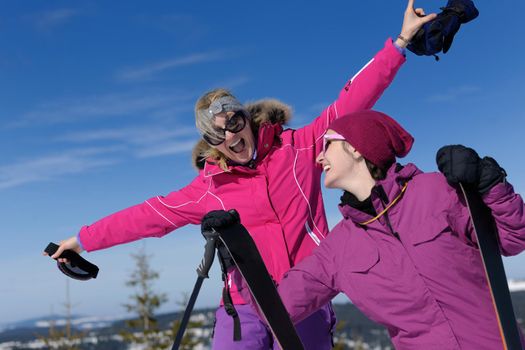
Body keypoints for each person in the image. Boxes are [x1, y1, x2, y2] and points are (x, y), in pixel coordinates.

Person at [44, 2, 436, 348]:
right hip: (244, 304)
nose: (231, 134)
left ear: (247, 117)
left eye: (234, 121)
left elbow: (350, 102)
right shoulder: (207, 189)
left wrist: (399, 44)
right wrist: (81, 239)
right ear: (211, 141)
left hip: (308, 292)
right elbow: (146, 216)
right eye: (218, 132)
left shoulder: (298, 148)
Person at [276, 109, 525, 349]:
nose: (319, 158)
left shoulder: (436, 191)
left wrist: (489, 182)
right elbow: (278, 308)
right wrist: (240, 261)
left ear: (354, 146)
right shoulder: (338, 247)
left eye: (327, 145)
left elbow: (513, 237)